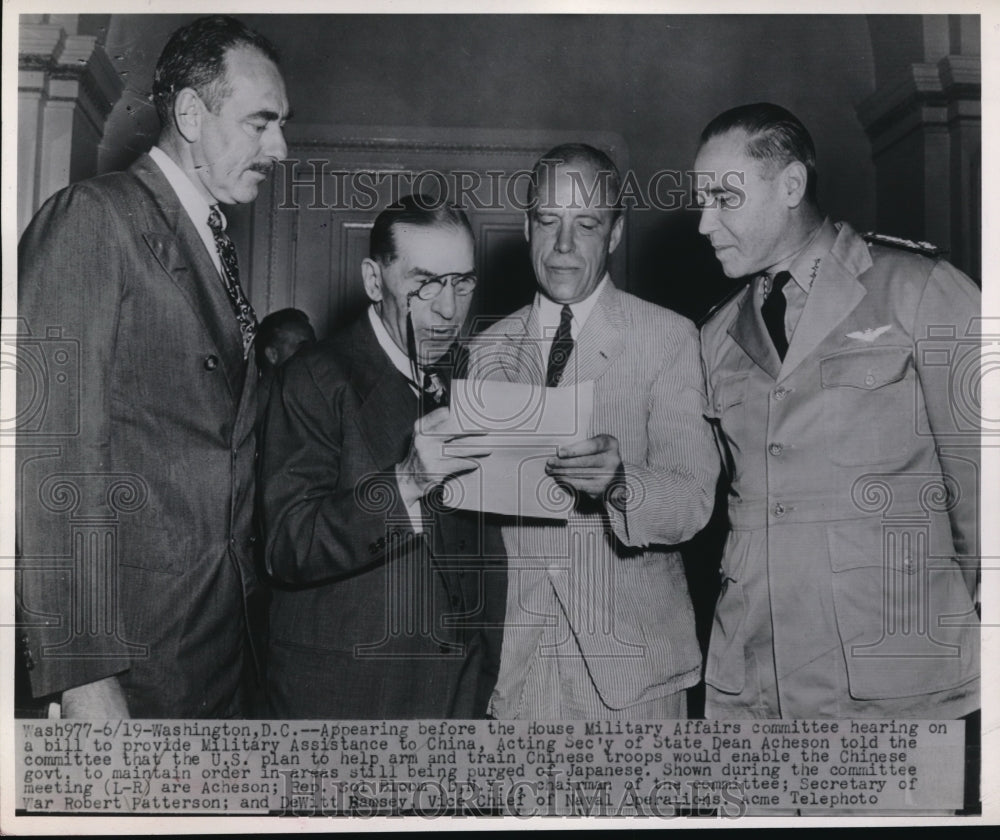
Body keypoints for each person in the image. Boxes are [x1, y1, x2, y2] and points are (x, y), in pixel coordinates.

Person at [16, 16, 289, 718]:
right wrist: (82, 674)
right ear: (192, 114)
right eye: (260, 123)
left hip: (217, 649)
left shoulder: (209, 238)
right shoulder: (93, 219)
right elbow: (54, 458)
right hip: (133, 664)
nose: (279, 147)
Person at [694, 102, 980, 719]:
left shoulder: (920, 291)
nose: (703, 223)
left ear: (791, 184)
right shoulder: (716, 336)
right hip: (756, 694)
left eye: (723, 197)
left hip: (897, 688)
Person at [467, 144, 719, 718]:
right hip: (516, 671)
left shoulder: (669, 338)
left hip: (631, 672)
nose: (562, 245)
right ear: (526, 225)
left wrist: (621, 482)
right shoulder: (484, 350)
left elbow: (694, 501)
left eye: (585, 224)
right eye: (548, 221)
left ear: (614, 233)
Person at [260, 196, 506, 718]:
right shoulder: (312, 378)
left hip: (452, 698)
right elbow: (287, 544)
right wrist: (406, 481)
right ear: (375, 281)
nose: (448, 309)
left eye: (462, 282)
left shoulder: (461, 379)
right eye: (424, 283)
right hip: (348, 699)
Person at [255, 308, 316, 427]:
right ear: (272, 355)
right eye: (303, 348)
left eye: (314, 348)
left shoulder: (304, 401)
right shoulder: (253, 411)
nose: (313, 356)